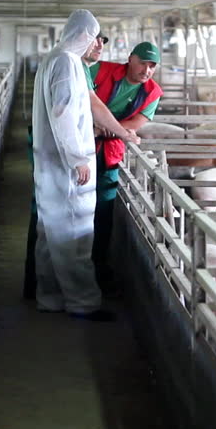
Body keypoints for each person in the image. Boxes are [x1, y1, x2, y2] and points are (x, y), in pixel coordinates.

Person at [31, 9, 138, 321]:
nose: (99, 43)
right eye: (95, 37)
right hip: (64, 165)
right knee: (72, 233)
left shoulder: (66, 62)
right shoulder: (65, 62)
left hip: (53, 164)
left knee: (50, 234)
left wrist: (122, 132)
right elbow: (63, 114)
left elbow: (93, 104)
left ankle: (49, 298)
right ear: (82, 36)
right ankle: (82, 302)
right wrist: (78, 159)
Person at [90, 41, 163, 294]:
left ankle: (97, 266)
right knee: (74, 205)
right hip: (78, 146)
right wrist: (115, 130)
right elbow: (79, 98)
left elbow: (136, 123)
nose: (147, 70)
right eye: (143, 62)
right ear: (130, 59)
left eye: (152, 65)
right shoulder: (99, 70)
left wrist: (101, 129)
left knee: (103, 212)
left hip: (109, 153)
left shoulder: (153, 92)